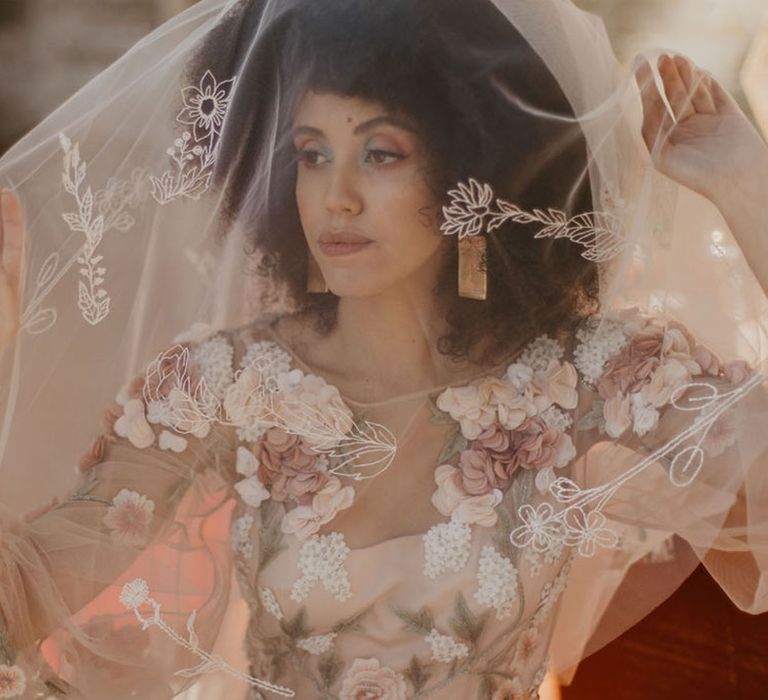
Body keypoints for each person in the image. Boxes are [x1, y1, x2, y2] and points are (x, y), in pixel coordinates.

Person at [0, 0, 766, 698]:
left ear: (472, 169)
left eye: (381, 153)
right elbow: (23, 600)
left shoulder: (585, 373)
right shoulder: (221, 384)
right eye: (310, 153)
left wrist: (744, 181)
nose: (336, 197)